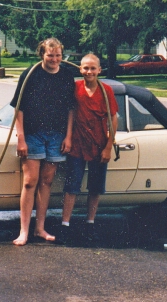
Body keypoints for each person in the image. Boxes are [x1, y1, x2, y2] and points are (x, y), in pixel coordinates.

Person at [10, 37, 75, 246]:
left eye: (58, 55)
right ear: (42, 55)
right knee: (30, 182)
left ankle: (40, 228)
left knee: (46, 182)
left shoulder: (66, 76)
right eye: (50, 55)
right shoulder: (30, 75)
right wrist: (21, 138)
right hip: (33, 134)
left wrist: (68, 136)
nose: (55, 59)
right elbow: (18, 108)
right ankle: (24, 231)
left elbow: (71, 109)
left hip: (57, 135)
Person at [59, 54, 118, 243]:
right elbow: (69, 112)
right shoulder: (75, 88)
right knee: (71, 186)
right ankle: (65, 225)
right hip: (77, 144)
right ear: (80, 70)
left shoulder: (106, 91)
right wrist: (68, 138)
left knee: (95, 187)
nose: (89, 72)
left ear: (99, 70)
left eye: (93, 68)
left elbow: (113, 119)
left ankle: (90, 223)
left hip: (99, 145)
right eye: (85, 68)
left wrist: (109, 146)